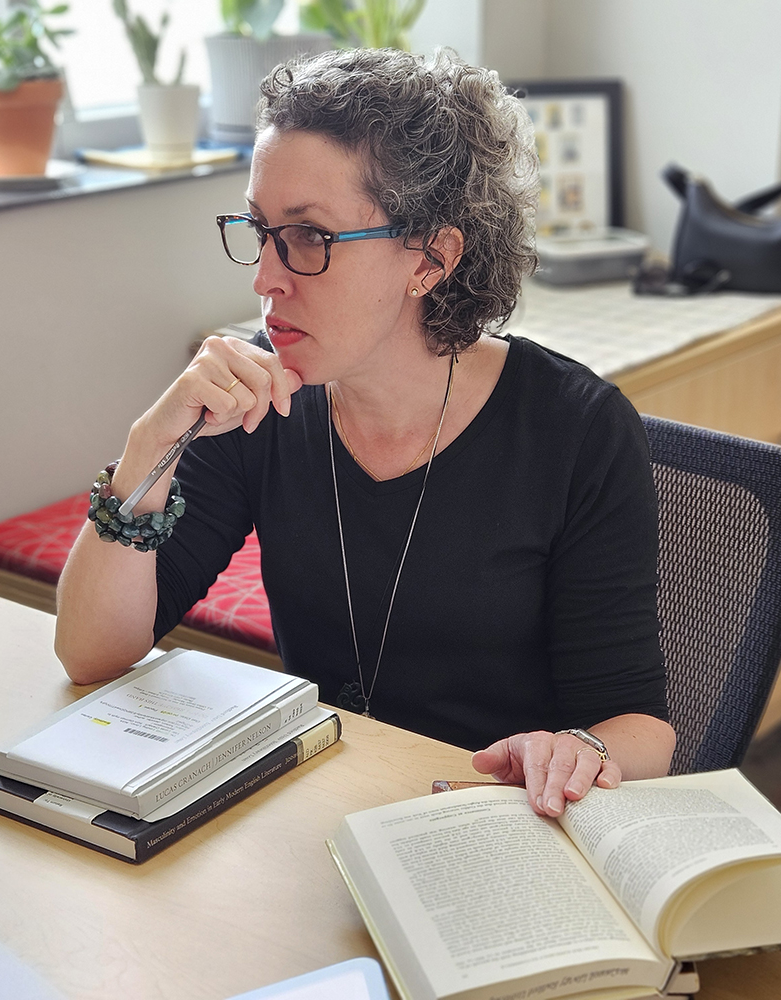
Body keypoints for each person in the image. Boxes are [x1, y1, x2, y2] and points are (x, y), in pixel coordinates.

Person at [55, 47, 675, 818]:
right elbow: (91, 654)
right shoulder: (263, 397)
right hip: (325, 807)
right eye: (259, 229)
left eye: (309, 237)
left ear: (431, 259)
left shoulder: (575, 430)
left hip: (498, 821)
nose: (264, 278)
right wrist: (149, 448)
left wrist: (582, 751)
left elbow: (640, 726)